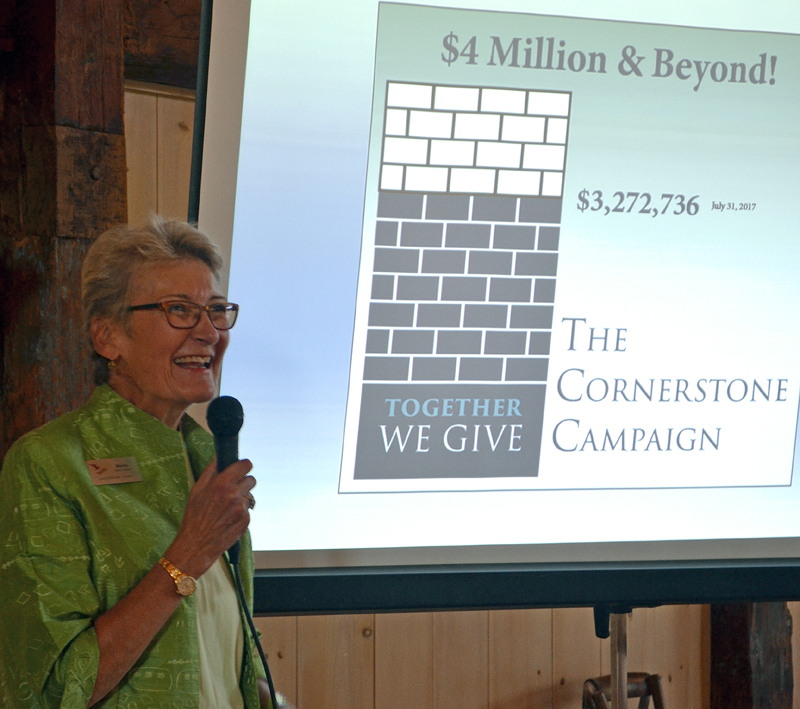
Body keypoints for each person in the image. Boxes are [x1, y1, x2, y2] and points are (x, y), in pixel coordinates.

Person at [0, 217, 273, 708]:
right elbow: (53, 690)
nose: (209, 332)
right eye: (179, 311)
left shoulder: (209, 456)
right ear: (108, 338)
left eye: (215, 310)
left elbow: (209, 655)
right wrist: (188, 553)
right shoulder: (49, 464)